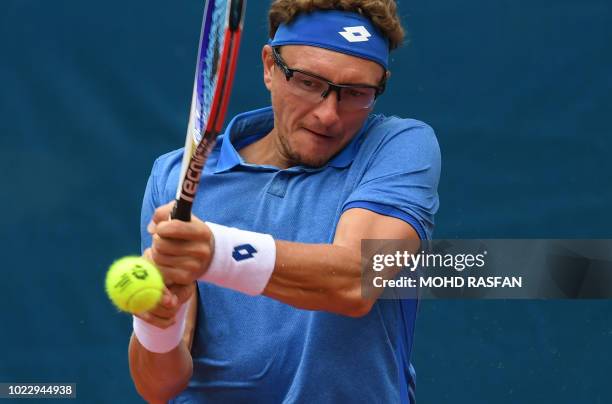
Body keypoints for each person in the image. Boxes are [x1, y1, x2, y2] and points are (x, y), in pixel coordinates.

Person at [129, 1, 440, 403]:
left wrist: (216, 251)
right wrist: (157, 325)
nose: (329, 115)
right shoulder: (172, 178)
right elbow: (157, 386)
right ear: (269, 67)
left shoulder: (397, 147)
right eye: (308, 82)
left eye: (355, 93)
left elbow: (355, 280)